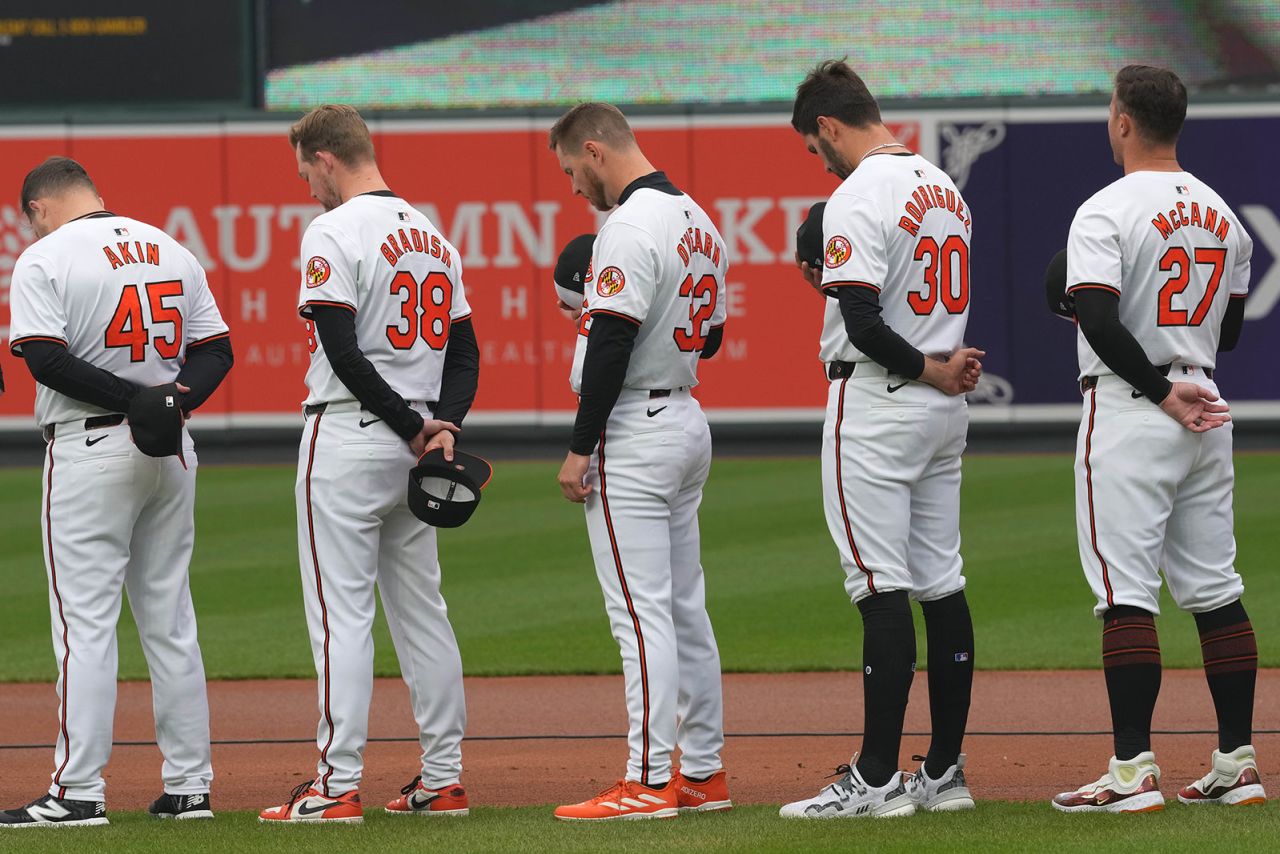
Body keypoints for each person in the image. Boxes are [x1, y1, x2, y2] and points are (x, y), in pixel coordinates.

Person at [1051, 65, 1263, 813]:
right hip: (1205, 399)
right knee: (1215, 588)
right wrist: (1180, 379)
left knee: (1125, 593)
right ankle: (1238, 763)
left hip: (1138, 407)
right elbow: (1230, 328)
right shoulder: (1223, 215)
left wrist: (1156, 391)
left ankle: (1132, 769)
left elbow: (1099, 321)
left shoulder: (1104, 209)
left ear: (1121, 121)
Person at [258, 105, 479, 824]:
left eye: (304, 171)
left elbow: (341, 350)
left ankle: (334, 786)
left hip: (352, 440)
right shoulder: (431, 234)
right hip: (414, 445)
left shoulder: (334, 228)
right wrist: (438, 425)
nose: (306, 187)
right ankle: (443, 779)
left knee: (340, 617)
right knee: (423, 612)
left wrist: (415, 424)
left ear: (326, 158)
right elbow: (467, 351)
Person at [0, 156, 233, 827]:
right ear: (95, 196)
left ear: (39, 208)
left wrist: (139, 402)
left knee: (85, 626)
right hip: (169, 450)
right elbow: (218, 349)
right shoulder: (167, 245)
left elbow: (45, 359)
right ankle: (190, 788)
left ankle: (77, 793)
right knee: (170, 619)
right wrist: (167, 401)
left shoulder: (45, 256)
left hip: (90, 448)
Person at [779, 60, 983, 820]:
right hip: (940, 408)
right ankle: (944, 772)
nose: (819, 158)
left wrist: (928, 370)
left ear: (830, 126)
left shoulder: (858, 192)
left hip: (879, 402)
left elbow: (861, 323)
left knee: (879, 586)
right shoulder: (945, 186)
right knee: (942, 581)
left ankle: (872, 780)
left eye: (813, 144)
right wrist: (938, 368)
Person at [547, 103, 731, 821]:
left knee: (640, 611)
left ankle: (649, 780)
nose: (572, 188)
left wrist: (578, 445)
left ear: (595, 151)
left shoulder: (625, 225)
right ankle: (704, 773)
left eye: (570, 170)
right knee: (684, 607)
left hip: (636, 428)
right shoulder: (698, 219)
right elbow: (711, 340)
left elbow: (611, 346)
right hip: (684, 415)